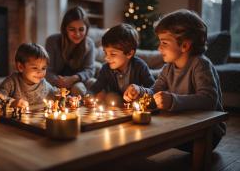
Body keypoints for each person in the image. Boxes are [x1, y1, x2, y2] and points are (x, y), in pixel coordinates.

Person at [123, 9, 226, 151]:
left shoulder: (201, 64)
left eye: (164, 43)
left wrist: (173, 101)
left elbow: (209, 99)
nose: (159, 48)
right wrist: (140, 91)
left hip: (207, 134)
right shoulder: (168, 68)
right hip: (181, 125)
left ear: (185, 45)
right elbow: (154, 91)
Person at [89, 23, 155, 102]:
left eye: (112, 54)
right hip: (115, 102)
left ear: (129, 53)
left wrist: (139, 90)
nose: (106, 58)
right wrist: (85, 97)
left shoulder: (140, 66)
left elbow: (153, 89)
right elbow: (96, 87)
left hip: (134, 102)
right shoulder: (106, 68)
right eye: (105, 53)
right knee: (111, 97)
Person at [45, 6, 95, 96]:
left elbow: (90, 69)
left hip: (78, 80)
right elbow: (47, 70)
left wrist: (74, 78)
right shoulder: (52, 41)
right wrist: (59, 81)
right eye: (72, 29)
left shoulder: (90, 43)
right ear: (65, 29)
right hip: (57, 81)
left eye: (81, 29)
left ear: (86, 29)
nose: (77, 34)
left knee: (87, 85)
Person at [0, 43, 58, 110]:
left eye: (43, 68)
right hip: (17, 119)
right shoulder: (12, 81)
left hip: (39, 118)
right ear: (20, 67)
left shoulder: (43, 84)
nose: (40, 72)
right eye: (35, 68)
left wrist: (66, 98)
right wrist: (13, 102)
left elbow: (56, 94)